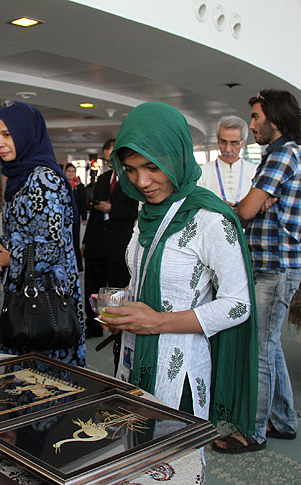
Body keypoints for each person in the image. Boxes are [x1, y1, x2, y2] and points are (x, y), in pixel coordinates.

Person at [97, 102, 257, 433]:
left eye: (152, 167)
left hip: (179, 368)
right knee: (131, 447)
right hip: (134, 355)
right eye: (131, 169)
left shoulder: (210, 219)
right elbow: (145, 277)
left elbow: (238, 305)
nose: (142, 181)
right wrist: (125, 307)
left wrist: (157, 321)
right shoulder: (147, 211)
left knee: (170, 456)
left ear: (177, 157)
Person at [214, 89, 301, 454]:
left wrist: (244, 205)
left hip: (274, 268)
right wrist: (250, 204)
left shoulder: (282, 155)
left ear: (275, 118)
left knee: (261, 351)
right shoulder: (282, 154)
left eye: (255, 117)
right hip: (275, 266)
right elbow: (252, 206)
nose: (251, 124)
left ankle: (252, 432)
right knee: (271, 347)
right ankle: (283, 420)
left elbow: (246, 211)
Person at [0, 100, 86, 367]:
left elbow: (49, 250)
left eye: (7, 134)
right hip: (27, 293)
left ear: (25, 133)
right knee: (26, 375)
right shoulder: (21, 175)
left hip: (46, 299)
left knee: (43, 378)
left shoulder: (43, 179)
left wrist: (3, 259)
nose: (0, 143)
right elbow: (24, 232)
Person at [82, 138, 139, 339]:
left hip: (119, 243)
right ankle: (93, 326)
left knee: (118, 288)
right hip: (97, 242)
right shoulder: (103, 179)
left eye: (113, 159)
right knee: (93, 287)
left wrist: (112, 209)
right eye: (107, 160)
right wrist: (86, 241)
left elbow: (135, 210)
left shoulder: (133, 179)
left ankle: (118, 327)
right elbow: (94, 215)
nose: (111, 164)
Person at [198, 115, 256, 205]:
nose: (228, 149)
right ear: (218, 141)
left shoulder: (254, 171)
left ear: (243, 143)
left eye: (234, 143)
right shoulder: (202, 172)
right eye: (223, 142)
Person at [65, 162, 86, 272]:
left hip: (75, 217)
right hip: (64, 217)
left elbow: (83, 202)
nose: (71, 173)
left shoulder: (79, 186)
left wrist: (84, 217)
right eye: (69, 171)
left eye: (73, 171)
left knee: (75, 241)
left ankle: (78, 266)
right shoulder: (62, 184)